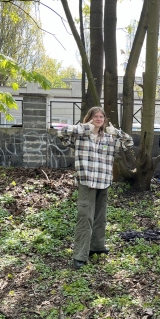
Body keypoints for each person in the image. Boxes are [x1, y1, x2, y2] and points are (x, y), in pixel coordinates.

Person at [58, 107, 134, 269]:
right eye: (95, 116)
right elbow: (61, 133)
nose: (99, 119)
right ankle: (80, 255)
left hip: (104, 181)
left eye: (101, 117)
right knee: (85, 217)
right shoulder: (80, 135)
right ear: (90, 118)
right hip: (87, 181)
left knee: (100, 216)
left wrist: (117, 132)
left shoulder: (109, 139)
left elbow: (129, 143)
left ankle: (97, 246)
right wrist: (86, 127)